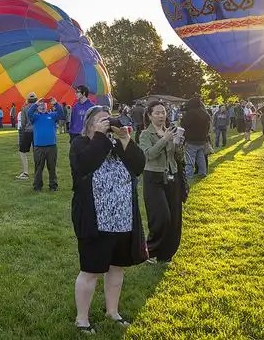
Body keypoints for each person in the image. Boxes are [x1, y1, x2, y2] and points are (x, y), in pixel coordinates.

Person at [69, 105, 146, 333]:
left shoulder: (117, 144)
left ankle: (113, 312)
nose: (107, 123)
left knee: (117, 268)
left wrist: (125, 139)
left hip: (122, 218)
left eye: (109, 119)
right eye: (101, 120)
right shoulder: (80, 144)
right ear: (89, 124)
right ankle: (82, 319)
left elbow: (138, 166)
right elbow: (85, 165)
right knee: (91, 269)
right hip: (95, 219)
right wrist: (100, 137)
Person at [139, 101, 185, 264]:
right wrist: (164, 140)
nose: (161, 116)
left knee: (174, 218)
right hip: (154, 178)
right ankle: (151, 251)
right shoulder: (145, 134)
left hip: (172, 176)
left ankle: (166, 254)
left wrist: (178, 144)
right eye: (157, 113)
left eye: (163, 112)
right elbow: (148, 155)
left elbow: (178, 157)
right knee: (161, 217)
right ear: (150, 115)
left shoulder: (170, 132)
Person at [28, 97, 65, 192]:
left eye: (43, 105)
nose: (42, 107)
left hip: (51, 146)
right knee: (38, 167)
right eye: (40, 105)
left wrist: (56, 104)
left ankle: (53, 186)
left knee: (52, 167)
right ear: (37, 107)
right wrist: (35, 104)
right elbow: (29, 113)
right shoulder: (35, 117)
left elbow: (61, 114)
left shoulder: (52, 115)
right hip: (39, 147)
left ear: (47, 106)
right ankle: (37, 186)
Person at [180, 98, 211, 177]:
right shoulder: (205, 114)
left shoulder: (190, 114)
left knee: (190, 158)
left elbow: (183, 124)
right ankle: (203, 172)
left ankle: (188, 174)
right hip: (202, 140)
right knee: (201, 157)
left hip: (191, 140)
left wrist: (182, 118)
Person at [16, 93, 37, 180]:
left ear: (27, 100)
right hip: (37, 131)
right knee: (37, 152)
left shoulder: (25, 108)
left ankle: (25, 172)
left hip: (28, 131)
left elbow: (23, 122)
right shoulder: (39, 108)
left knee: (22, 151)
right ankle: (37, 172)